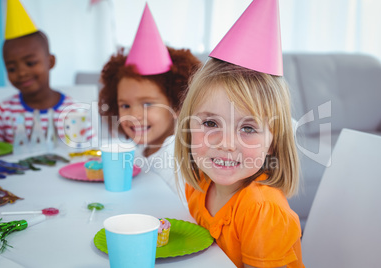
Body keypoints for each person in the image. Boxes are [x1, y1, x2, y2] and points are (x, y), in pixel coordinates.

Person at [174, 1, 304, 267]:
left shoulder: (262, 210)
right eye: (210, 123)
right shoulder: (199, 182)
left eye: (248, 128)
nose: (226, 144)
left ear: (272, 142)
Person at [98, 4, 201, 194]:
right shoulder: (141, 149)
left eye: (147, 104)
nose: (134, 114)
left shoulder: (180, 159)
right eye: (125, 105)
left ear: (177, 104)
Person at [0, 0, 92, 145]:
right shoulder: (2, 112)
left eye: (30, 63)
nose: (21, 73)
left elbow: (88, 155)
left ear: (50, 62)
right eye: (12, 68)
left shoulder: (74, 111)